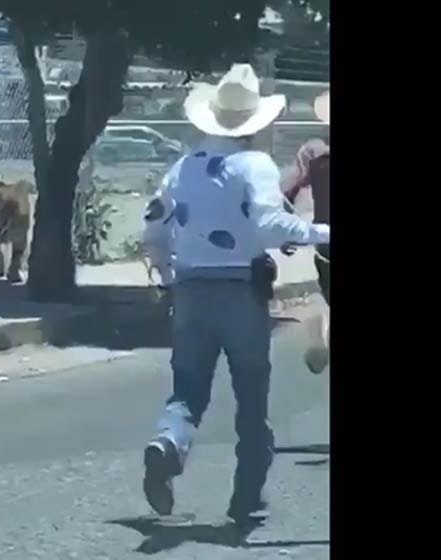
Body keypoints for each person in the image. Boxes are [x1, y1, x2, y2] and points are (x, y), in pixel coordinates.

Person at [141, 64, 331, 524]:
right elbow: (269, 225)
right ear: (256, 123)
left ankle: (169, 441)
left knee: (187, 389)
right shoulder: (254, 165)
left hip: (189, 290)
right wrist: (320, 232)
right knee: (251, 396)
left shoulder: (183, 167)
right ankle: (246, 497)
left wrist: (168, 276)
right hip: (241, 291)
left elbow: (153, 228)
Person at [281, 91, 330, 373]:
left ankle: (319, 335)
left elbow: (291, 191)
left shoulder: (314, 156)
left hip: (326, 240)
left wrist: (287, 232)